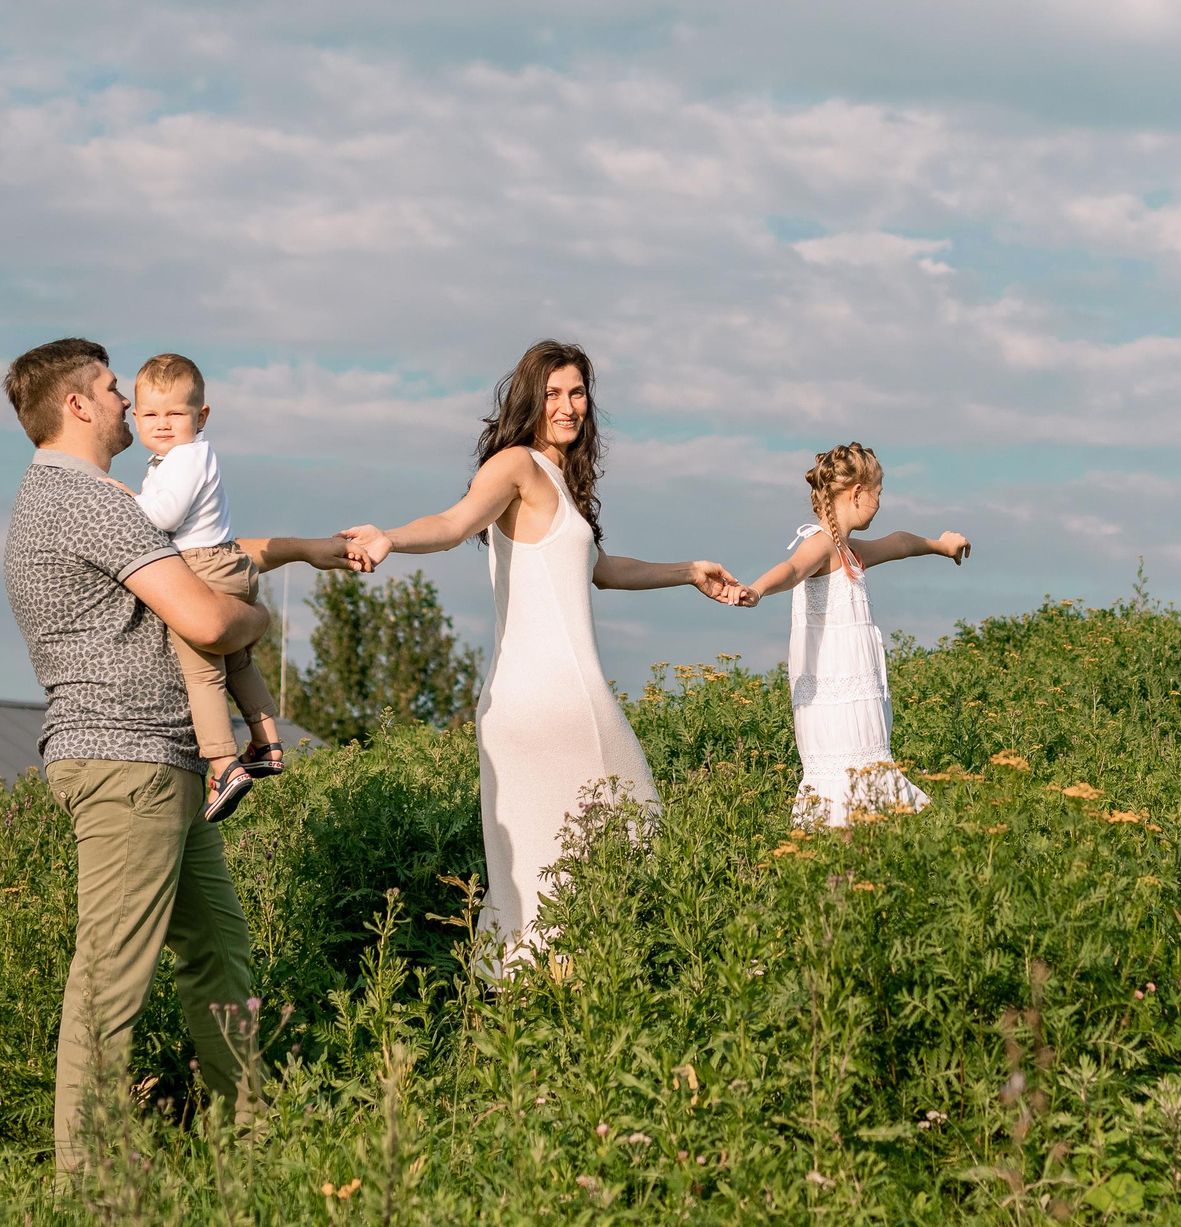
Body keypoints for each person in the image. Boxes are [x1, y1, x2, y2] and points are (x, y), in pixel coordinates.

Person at [0, 337, 353, 1172]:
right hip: (129, 764)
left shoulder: (88, 498)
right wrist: (261, 622)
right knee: (110, 978)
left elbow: (207, 553)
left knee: (219, 952)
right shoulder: (84, 499)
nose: (129, 403)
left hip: (160, 763)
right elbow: (204, 614)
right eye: (115, 389)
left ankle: (250, 1147)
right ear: (78, 405)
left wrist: (306, 549)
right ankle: (82, 1189)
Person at [337, 339, 745, 966]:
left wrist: (689, 571)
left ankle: (515, 1020)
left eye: (577, 392)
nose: (568, 405)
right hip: (557, 700)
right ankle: (618, 993)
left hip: (528, 703)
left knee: (534, 879)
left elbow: (602, 571)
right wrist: (390, 537)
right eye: (553, 393)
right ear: (530, 398)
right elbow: (455, 522)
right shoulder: (516, 465)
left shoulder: (559, 479)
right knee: (634, 839)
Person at [737, 442, 969, 828]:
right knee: (847, 793)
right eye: (878, 492)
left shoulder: (849, 550)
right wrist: (757, 590)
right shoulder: (822, 543)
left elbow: (898, 543)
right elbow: (792, 569)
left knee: (866, 786)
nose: (880, 502)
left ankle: (858, 874)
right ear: (857, 493)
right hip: (833, 702)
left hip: (860, 697)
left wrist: (940, 546)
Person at [130, 352, 287, 823]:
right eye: (151, 414)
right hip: (227, 562)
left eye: (175, 414)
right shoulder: (190, 455)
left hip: (201, 567)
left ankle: (223, 764)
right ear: (135, 417)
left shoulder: (182, 459)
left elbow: (162, 517)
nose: (162, 424)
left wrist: (125, 501)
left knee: (202, 674)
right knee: (237, 660)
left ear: (201, 416)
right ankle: (268, 743)